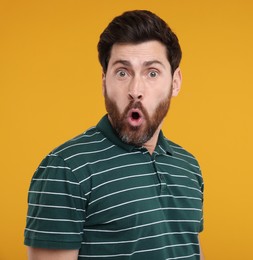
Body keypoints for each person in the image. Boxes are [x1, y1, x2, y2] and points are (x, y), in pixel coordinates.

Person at [24, 10, 205, 260]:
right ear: (104, 81)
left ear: (175, 82)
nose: (135, 90)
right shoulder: (66, 169)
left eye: (152, 73)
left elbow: (188, 249)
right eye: (122, 72)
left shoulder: (188, 166)